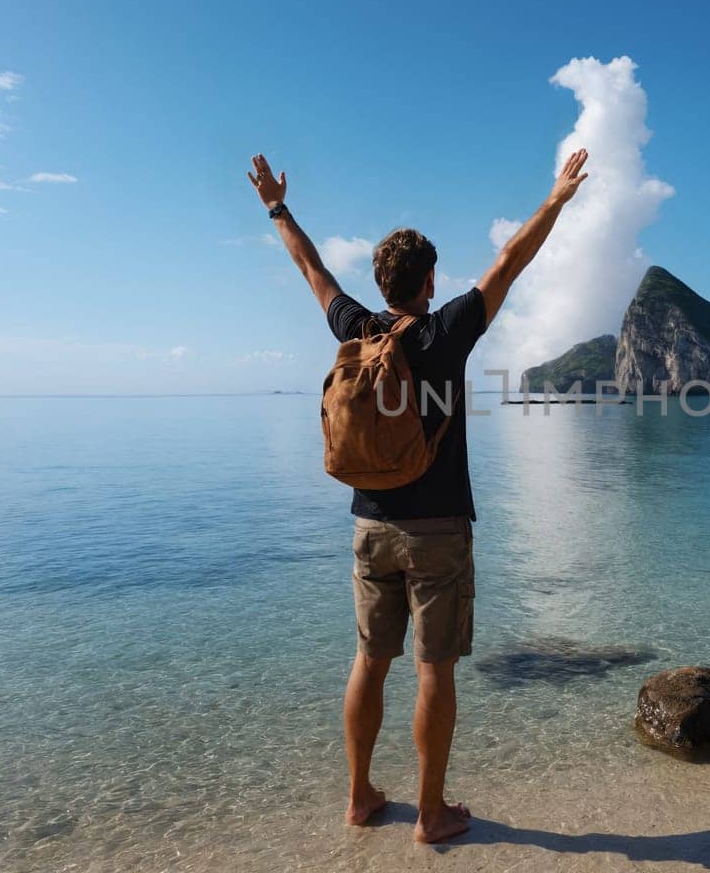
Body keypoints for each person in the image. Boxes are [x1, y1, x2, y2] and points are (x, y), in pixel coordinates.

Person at [246, 147, 589, 843]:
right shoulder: (445, 331)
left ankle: (360, 796)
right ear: (429, 281)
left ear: (380, 281)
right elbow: (509, 264)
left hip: (369, 527)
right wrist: (556, 200)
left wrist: (277, 207)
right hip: (438, 531)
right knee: (435, 670)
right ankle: (430, 814)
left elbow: (311, 270)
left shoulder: (357, 328)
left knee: (370, 660)